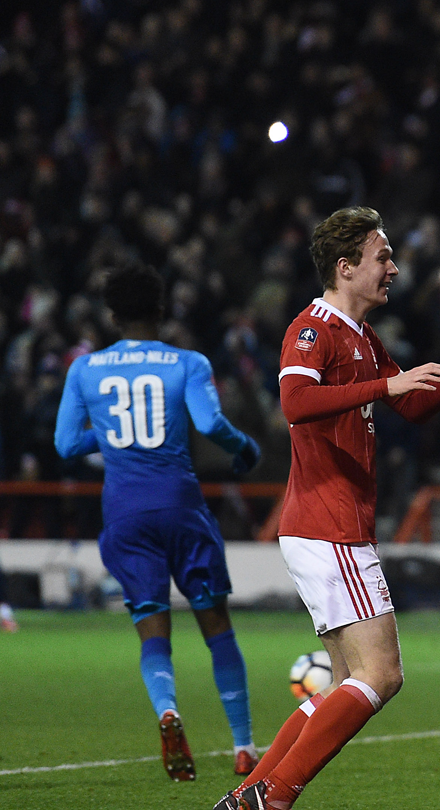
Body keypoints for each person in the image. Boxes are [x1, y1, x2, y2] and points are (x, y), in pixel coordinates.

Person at [214, 207, 440, 810]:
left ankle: (249, 795)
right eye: (382, 257)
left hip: (330, 525)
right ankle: (273, 798)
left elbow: (410, 408)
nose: (393, 268)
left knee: (344, 682)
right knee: (382, 675)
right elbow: (295, 402)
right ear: (345, 267)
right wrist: (386, 386)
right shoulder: (313, 327)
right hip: (329, 524)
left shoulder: (363, 337)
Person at [53, 262, 264, 781]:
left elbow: (64, 445)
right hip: (180, 504)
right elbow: (210, 422)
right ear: (162, 308)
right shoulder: (187, 362)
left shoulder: (85, 369)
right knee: (216, 626)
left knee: (152, 628)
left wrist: (106, 435)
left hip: (124, 512)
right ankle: (243, 746)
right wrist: (245, 449)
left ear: (111, 314)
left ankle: (168, 711)